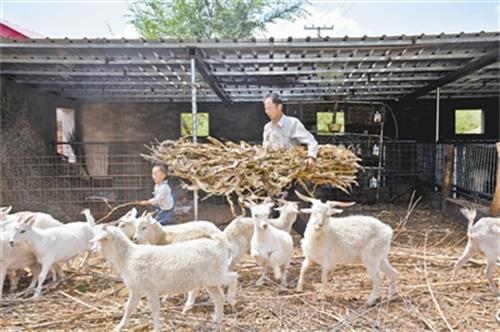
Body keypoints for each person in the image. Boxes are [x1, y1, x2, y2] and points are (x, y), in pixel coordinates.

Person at [262, 92, 319, 236]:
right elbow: (265, 151)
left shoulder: (292, 124)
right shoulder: (267, 128)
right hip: (273, 178)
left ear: (279, 107)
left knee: (282, 208)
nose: (267, 111)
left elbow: (311, 141)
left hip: (290, 176)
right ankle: (302, 239)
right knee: (278, 210)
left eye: (269, 108)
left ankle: (309, 237)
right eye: (265, 108)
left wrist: (311, 157)